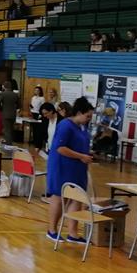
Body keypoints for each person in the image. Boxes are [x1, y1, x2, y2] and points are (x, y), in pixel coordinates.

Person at [46, 97, 95, 243]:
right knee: (60, 196)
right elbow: (60, 148)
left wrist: (88, 154)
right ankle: (52, 230)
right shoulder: (65, 126)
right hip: (62, 166)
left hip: (78, 167)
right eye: (87, 116)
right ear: (79, 113)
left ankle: (73, 233)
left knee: (77, 197)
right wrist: (81, 156)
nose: (89, 119)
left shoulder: (82, 127)